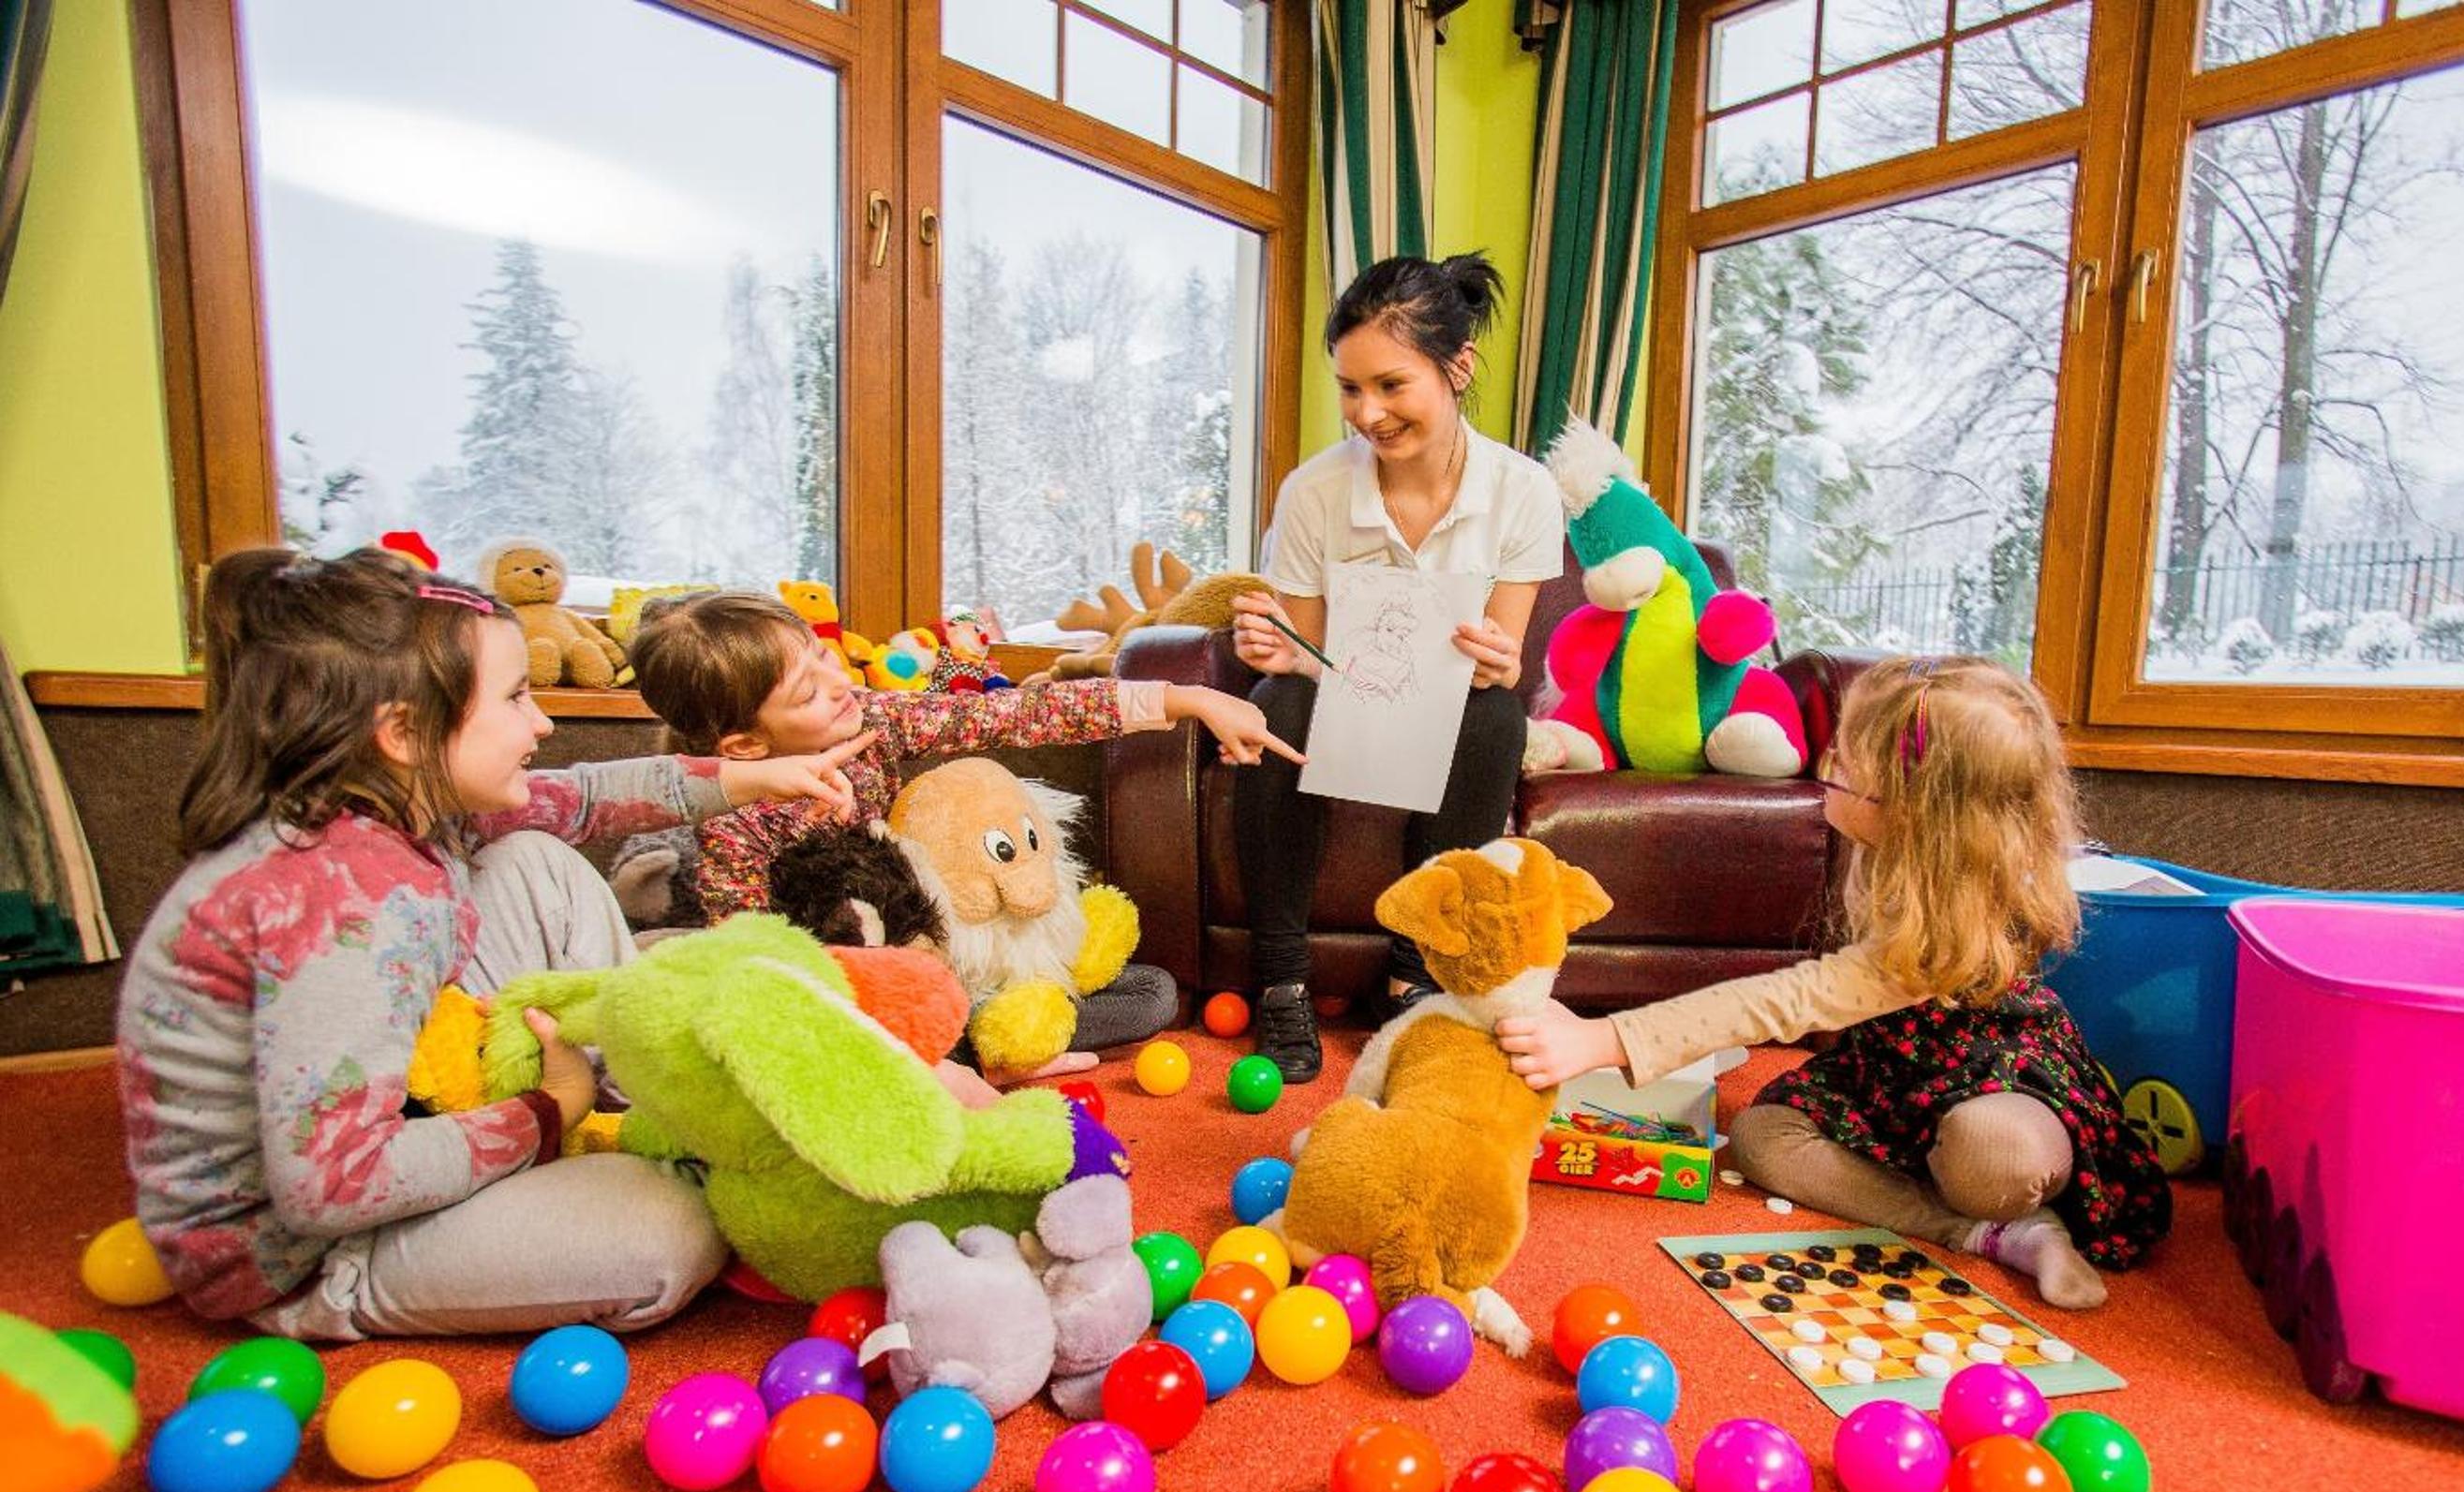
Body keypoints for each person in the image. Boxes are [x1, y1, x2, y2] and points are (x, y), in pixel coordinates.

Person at [117, 548, 869, 1339]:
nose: (541, 723)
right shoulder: (344, 902)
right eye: (514, 698)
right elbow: (329, 1186)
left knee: (536, 859)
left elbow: (581, 800)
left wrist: (752, 778)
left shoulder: (396, 803)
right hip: (311, 1250)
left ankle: (648, 1107)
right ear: (403, 732)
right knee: (672, 1231)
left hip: (408, 1112)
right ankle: (603, 1143)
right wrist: (546, 1112)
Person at [1495, 657, 2171, 1308]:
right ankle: (1988, 1234)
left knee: (1991, 1158)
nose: (1827, 767)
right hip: (1893, 1070)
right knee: (1761, 1139)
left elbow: (1789, 1000)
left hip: (1998, 1079)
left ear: (1916, 812)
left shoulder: (1957, 912)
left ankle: (1995, 1202)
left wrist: (1607, 1039)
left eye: (1847, 767)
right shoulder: (1888, 849)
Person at [630, 587, 1298, 1075]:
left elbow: (1019, 715)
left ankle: (976, 1042)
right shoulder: (734, 831)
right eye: (806, 692)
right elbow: (756, 972)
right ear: (745, 746)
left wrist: (1190, 699)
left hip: (944, 967)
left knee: (1152, 995)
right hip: (848, 1008)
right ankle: (960, 1054)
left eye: (823, 657)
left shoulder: (870, 722)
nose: (837, 684)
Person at [1228, 252, 1568, 1083]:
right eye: (1350, 389)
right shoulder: (1313, 492)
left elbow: (1502, 663)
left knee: (1496, 716)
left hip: (1450, 711)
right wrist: (1276, 648)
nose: (1367, 414)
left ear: (1459, 368)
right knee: (1277, 700)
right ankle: (1282, 979)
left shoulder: (1524, 490)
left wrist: (1498, 661)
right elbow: (1305, 654)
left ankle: (1414, 973)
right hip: (1339, 701)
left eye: (1391, 385)